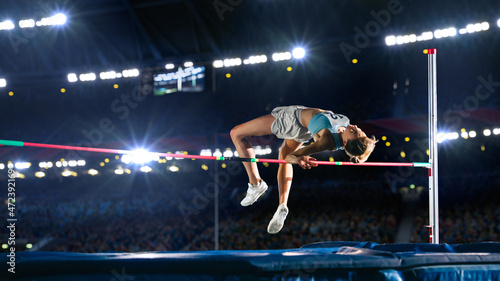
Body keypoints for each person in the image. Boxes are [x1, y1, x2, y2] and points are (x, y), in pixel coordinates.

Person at [230, 105, 377, 234]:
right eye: (360, 131)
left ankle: (255, 184)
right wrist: (360, 157)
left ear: (345, 142)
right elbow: (360, 153)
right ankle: (282, 204)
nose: (356, 127)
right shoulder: (347, 132)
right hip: (303, 126)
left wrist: (298, 158)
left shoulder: (327, 140)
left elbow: (290, 157)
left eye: (355, 132)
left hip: (292, 121)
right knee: (282, 153)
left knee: (236, 133)